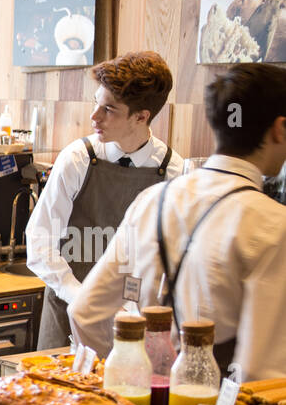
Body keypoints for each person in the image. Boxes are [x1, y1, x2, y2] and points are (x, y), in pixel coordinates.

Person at [69, 64, 286, 381]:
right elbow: (261, 372)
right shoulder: (273, 224)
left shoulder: (152, 200)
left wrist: (130, 380)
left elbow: (84, 313)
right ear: (279, 129)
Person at [25, 51, 183, 349]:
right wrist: (82, 299)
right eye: (95, 104)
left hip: (136, 329)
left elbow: (172, 261)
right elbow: (39, 241)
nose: (94, 117)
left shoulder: (174, 171)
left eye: (108, 109)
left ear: (141, 116)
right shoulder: (78, 159)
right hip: (67, 315)